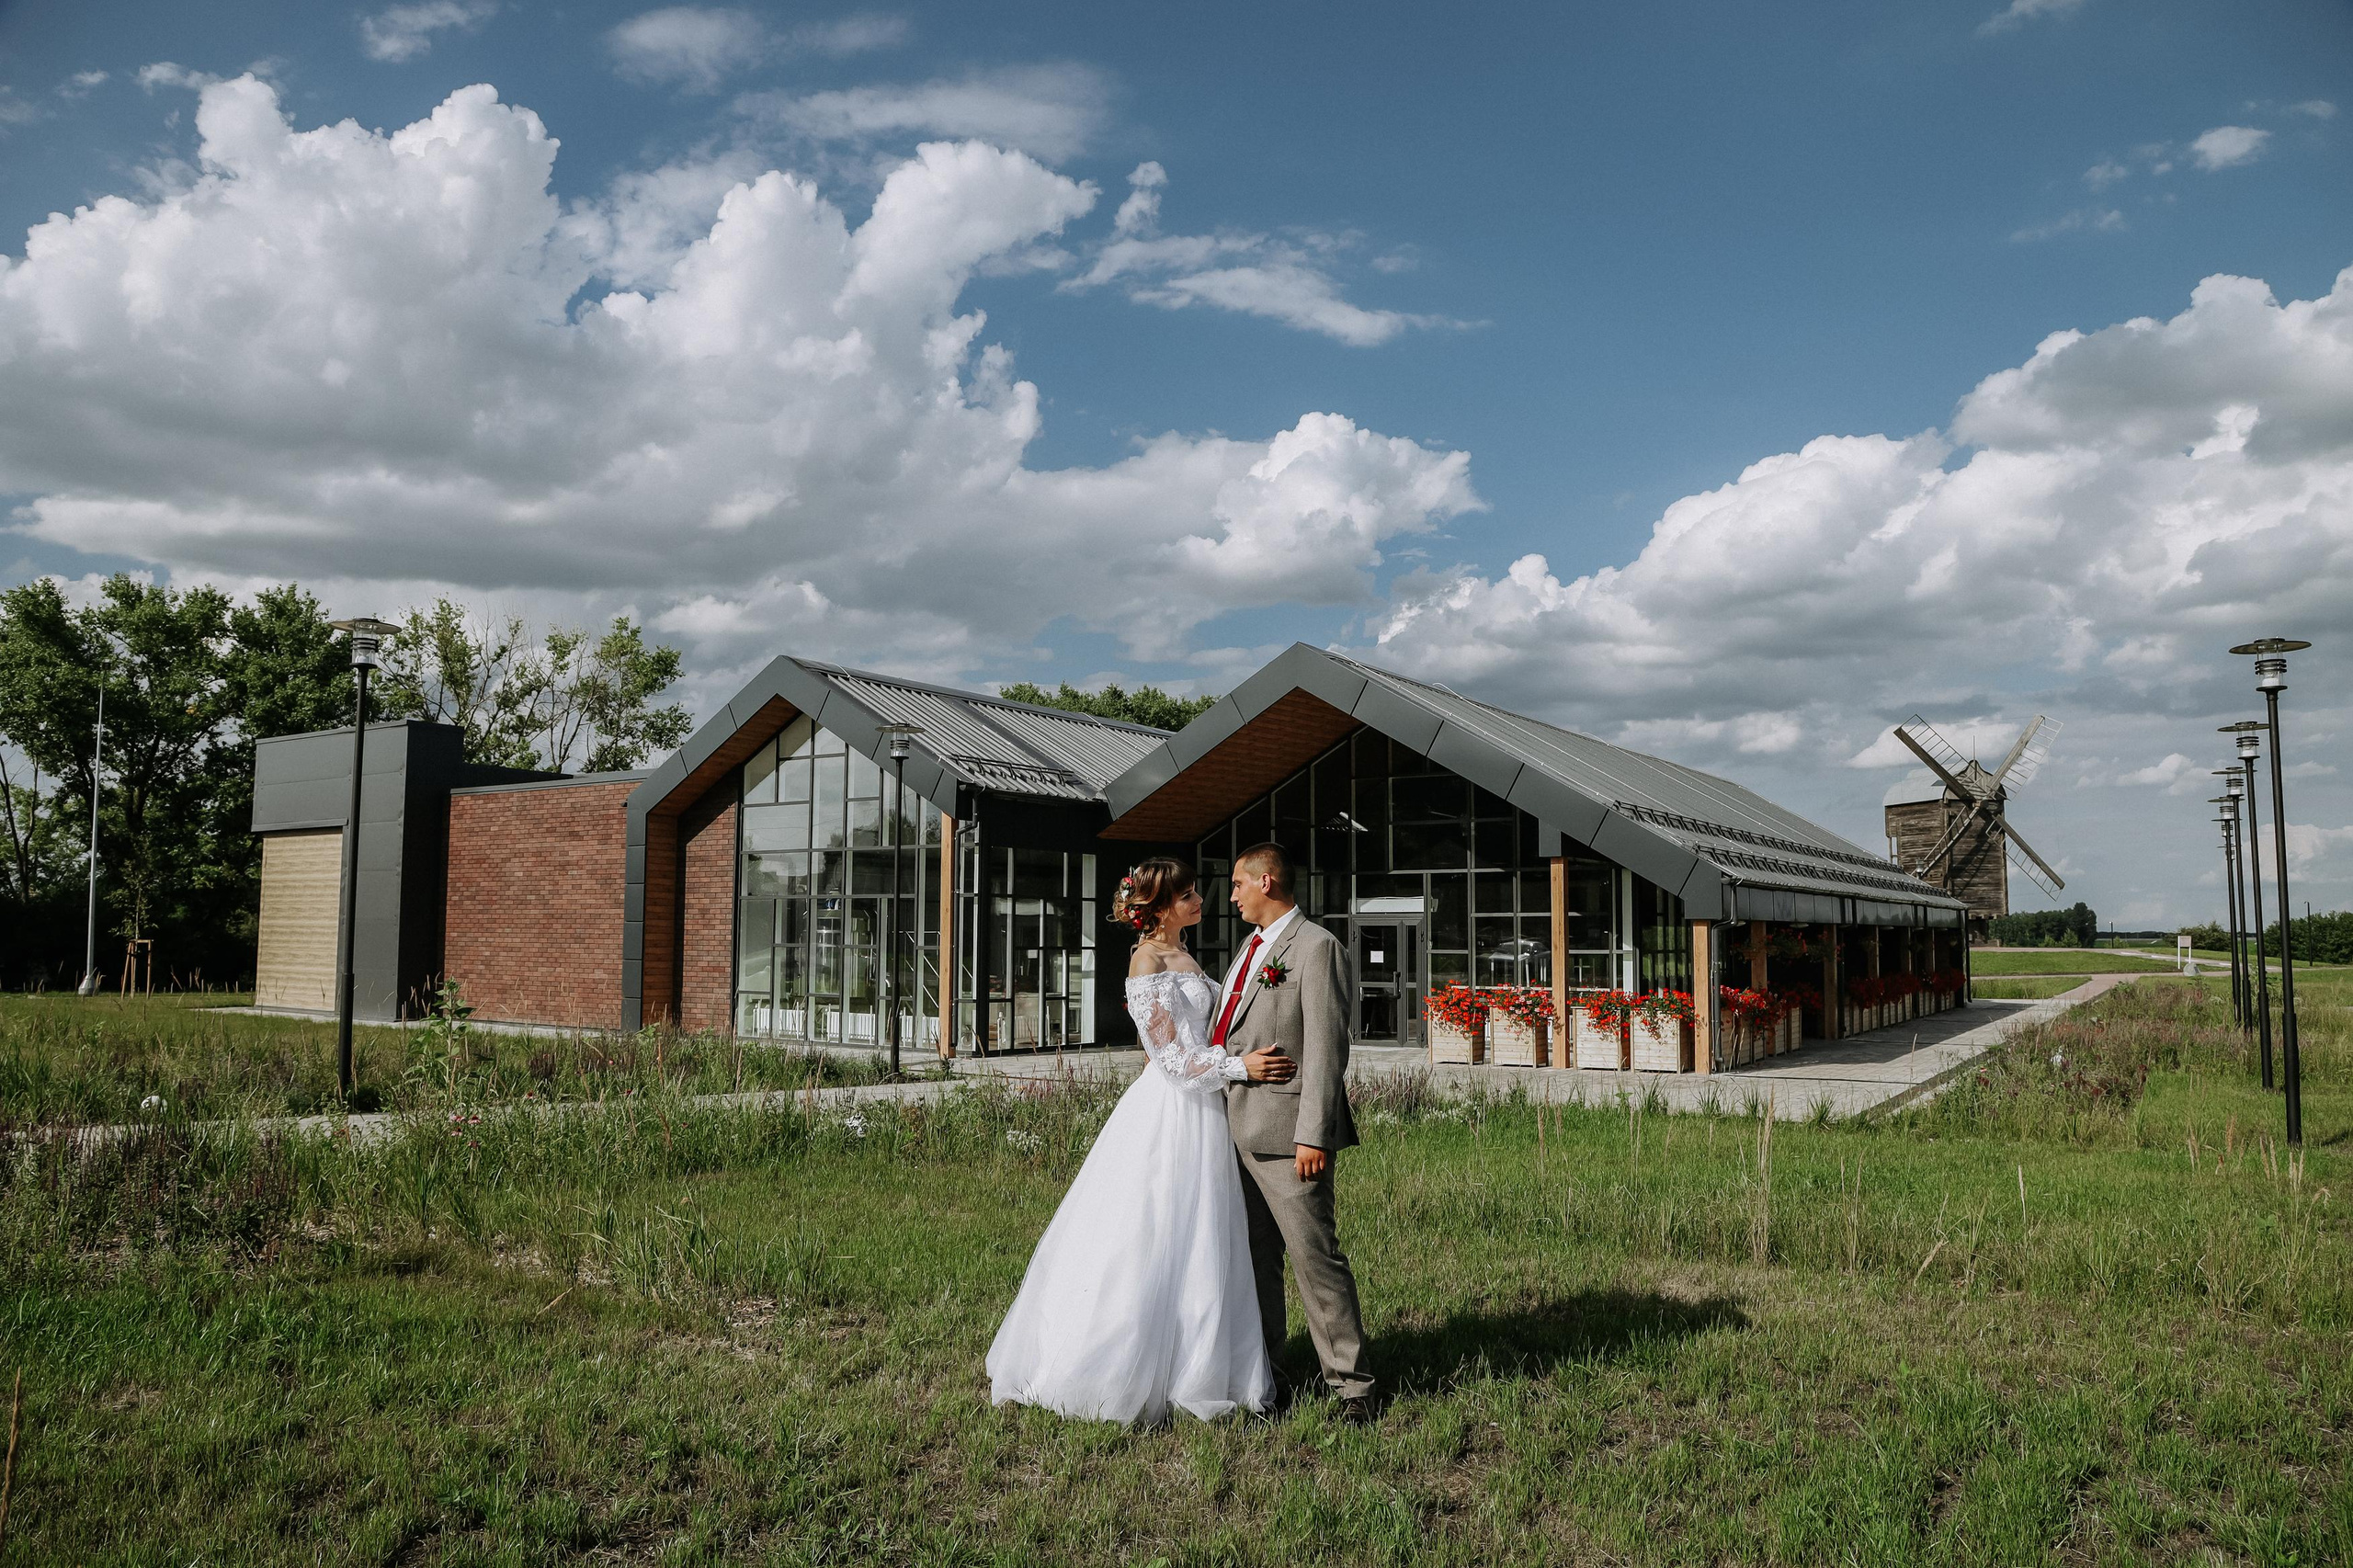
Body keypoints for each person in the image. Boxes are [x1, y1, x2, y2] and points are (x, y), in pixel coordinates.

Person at [985, 858, 1299, 1424]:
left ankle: (1203, 1360)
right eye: (1187, 895)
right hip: (1172, 1111)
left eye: (1197, 892)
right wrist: (1239, 1067)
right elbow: (1173, 1060)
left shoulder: (1184, 955)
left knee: (1205, 1238)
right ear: (1157, 908)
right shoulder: (1144, 964)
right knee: (1154, 1232)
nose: (1200, 900)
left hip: (1206, 1112)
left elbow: (1206, 1027)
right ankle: (1120, 1368)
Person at [1218, 841, 1377, 1422]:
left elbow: (1328, 1052)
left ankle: (1353, 1386)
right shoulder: (1251, 947)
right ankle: (1268, 1379)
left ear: (1265, 882)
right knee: (1257, 1263)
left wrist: (1315, 1134)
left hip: (1289, 1137)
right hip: (1236, 1132)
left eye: (1238, 884)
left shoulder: (1316, 948)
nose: (1231, 895)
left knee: (1315, 1259)